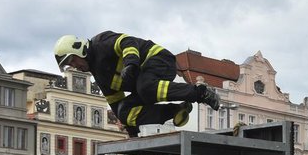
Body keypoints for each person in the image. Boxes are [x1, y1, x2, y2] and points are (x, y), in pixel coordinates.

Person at [53, 32, 220, 137]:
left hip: (159, 59)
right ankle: (176, 110)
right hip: (145, 81)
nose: (75, 66)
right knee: (124, 112)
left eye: (72, 60)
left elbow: (127, 42)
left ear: (78, 49)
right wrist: (131, 131)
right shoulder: (100, 77)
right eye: (70, 65)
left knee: (145, 87)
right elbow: (116, 103)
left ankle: (201, 93)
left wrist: (131, 63)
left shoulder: (101, 42)